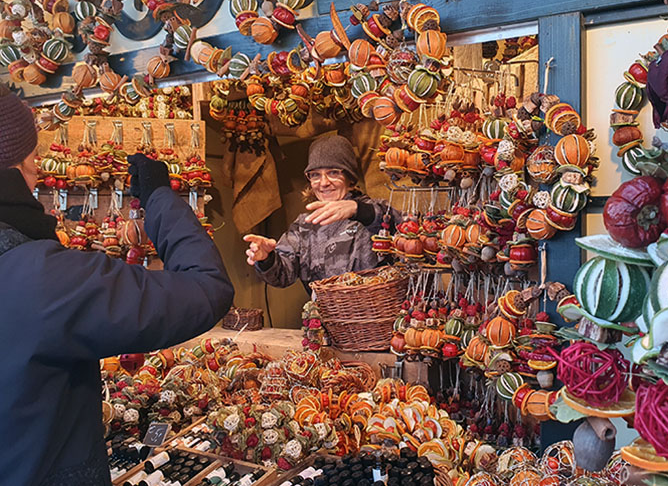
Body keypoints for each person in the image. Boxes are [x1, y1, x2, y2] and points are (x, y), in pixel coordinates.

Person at [0, 85, 234, 486]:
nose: (39, 168)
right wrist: (161, 198)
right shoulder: (41, 279)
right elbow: (206, 287)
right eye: (34, 155)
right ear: (16, 165)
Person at [244, 134, 396, 293]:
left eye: (333, 172)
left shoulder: (372, 211)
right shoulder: (304, 225)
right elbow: (283, 276)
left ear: (350, 177)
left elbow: (401, 228)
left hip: (375, 314)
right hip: (322, 315)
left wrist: (358, 209)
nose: (323, 183)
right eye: (315, 175)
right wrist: (266, 259)